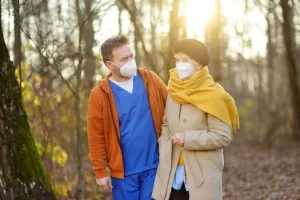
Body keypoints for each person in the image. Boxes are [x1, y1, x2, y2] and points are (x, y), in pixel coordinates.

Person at [152, 38, 239, 200]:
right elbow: (165, 124)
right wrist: (165, 143)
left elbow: (222, 136)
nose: (179, 65)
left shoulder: (214, 95)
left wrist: (188, 138)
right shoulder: (173, 91)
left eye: (185, 60)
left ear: (199, 64)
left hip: (201, 176)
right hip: (172, 173)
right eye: (177, 60)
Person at [87, 36, 168, 200]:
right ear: (110, 64)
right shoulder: (100, 94)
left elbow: (174, 110)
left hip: (155, 166)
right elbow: (96, 135)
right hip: (123, 173)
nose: (131, 61)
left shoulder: (150, 79)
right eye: (124, 59)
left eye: (132, 56)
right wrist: (100, 171)